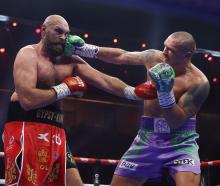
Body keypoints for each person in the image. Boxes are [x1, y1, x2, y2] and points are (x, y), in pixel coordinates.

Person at [3, 15, 158, 186]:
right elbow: (27, 100)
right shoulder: (28, 54)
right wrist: (64, 88)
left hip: (56, 130)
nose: (63, 37)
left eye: (66, 34)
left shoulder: (71, 60)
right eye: (58, 31)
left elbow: (105, 80)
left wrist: (134, 92)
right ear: (44, 30)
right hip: (26, 127)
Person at [65, 31, 210, 186]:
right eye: (164, 47)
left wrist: (165, 91)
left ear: (187, 55)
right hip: (147, 138)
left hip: (180, 142)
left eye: (170, 50)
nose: (164, 53)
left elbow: (176, 121)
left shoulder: (198, 83)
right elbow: (121, 56)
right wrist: (83, 49)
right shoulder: (155, 58)